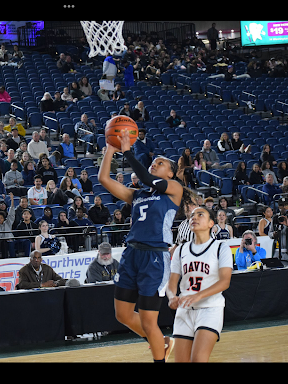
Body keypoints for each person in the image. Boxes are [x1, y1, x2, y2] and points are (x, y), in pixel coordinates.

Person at [97, 130, 183, 363]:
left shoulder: (174, 189)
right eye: (153, 161)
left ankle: (159, 356)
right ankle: (161, 342)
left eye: (160, 163)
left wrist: (127, 151)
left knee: (148, 321)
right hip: (131, 254)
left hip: (154, 257)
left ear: (171, 173)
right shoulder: (138, 195)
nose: (155, 164)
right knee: (122, 314)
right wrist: (111, 150)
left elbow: (146, 177)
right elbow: (104, 180)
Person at [167, 207, 233, 362]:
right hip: (184, 311)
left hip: (210, 309)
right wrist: (171, 297)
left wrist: (198, 295)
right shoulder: (181, 249)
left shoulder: (221, 247)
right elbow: (172, 282)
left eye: (200, 215)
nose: (194, 218)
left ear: (211, 223)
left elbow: (225, 281)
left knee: (198, 360)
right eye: (191, 216)